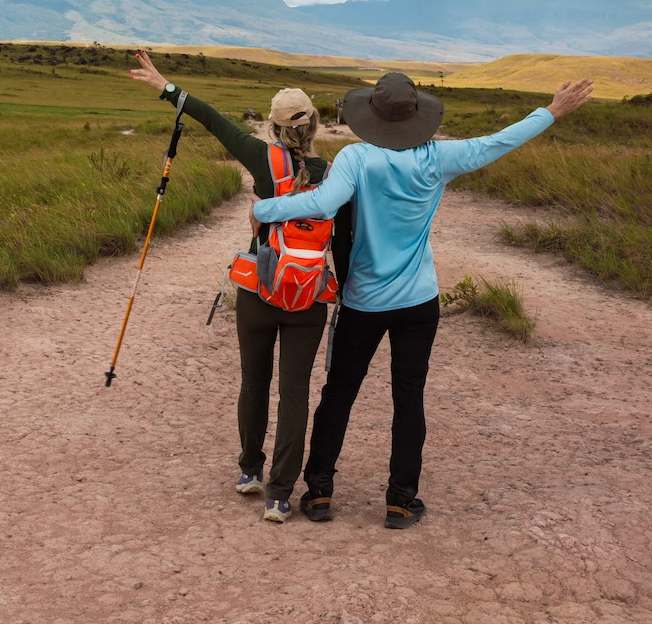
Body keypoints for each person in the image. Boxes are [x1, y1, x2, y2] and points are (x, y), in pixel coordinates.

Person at [253, 71, 593, 530]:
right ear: (416, 116)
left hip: (364, 301)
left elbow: (322, 204)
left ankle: (319, 492)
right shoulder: (438, 157)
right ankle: (400, 501)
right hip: (418, 302)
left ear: (371, 115)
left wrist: (263, 209)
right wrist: (551, 111)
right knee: (408, 398)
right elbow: (497, 142)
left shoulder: (357, 158)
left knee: (339, 394)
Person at [129, 50, 350, 523]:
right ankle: (280, 495)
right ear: (314, 124)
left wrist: (166, 87)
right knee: (295, 394)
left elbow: (212, 119)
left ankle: (250, 470)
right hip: (309, 297)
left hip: (259, 291)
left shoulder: (262, 157)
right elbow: (346, 238)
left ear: (274, 126)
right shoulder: (335, 173)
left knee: (254, 381)